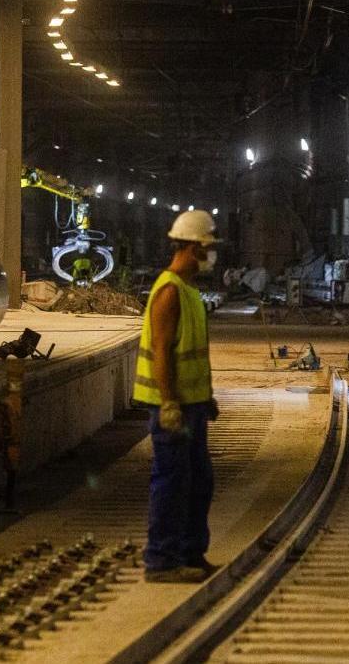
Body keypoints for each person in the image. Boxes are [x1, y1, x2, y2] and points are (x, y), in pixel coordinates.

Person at [135, 209, 221, 583]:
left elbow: (193, 354)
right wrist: (169, 403)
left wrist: (206, 397)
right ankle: (161, 560)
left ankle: (190, 552)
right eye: (206, 247)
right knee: (172, 481)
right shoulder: (169, 291)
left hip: (193, 405)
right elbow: (161, 351)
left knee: (198, 480)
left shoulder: (190, 292)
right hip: (173, 408)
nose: (211, 255)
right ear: (190, 248)